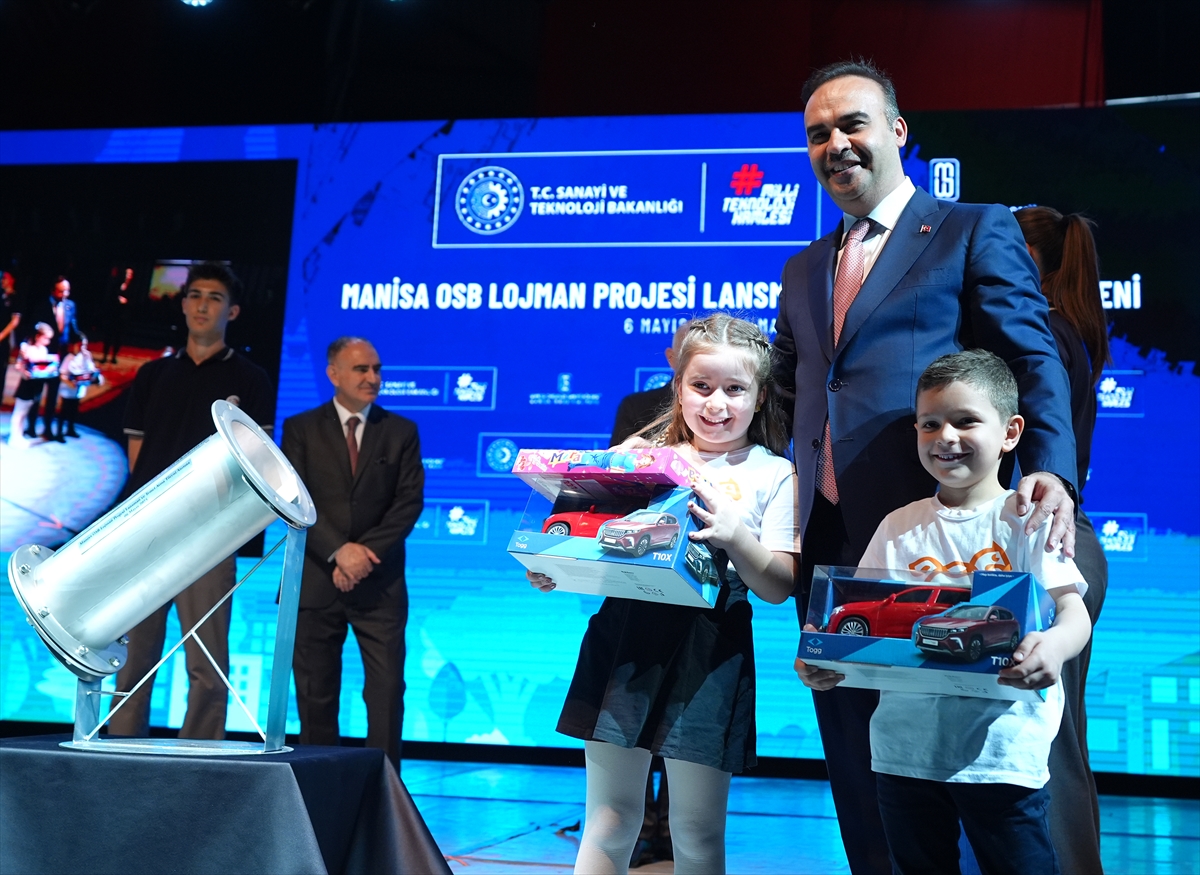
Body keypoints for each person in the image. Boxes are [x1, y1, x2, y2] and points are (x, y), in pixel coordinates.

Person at [777, 60, 1079, 874]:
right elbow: (790, 394)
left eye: (853, 124)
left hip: (945, 546)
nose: (836, 144)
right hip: (832, 545)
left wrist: (1051, 468)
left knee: (986, 781)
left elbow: (1032, 356)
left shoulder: (970, 228)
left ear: (898, 131)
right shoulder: (802, 267)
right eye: (817, 134)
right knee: (862, 765)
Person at [799, 350, 1091, 875]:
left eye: (965, 421)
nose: (945, 437)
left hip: (1003, 754)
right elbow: (852, 620)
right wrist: (822, 658)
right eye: (930, 423)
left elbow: (1073, 611)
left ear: (1010, 432)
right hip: (903, 752)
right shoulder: (898, 525)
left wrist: (1053, 646)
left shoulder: (1027, 519)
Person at [529, 314, 799, 875]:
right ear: (678, 387)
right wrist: (557, 567)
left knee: (695, 831)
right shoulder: (642, 460)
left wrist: (735, 535)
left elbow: (777, 586)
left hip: (710, 652)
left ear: (760, 396)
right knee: (609, 820)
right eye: (701, 386)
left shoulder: (775, 474)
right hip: (624, 638)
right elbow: (596, 544)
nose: (716, 404)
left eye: (734, 389)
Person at [108, 262, 274, 740]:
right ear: (183, 305)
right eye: (195, 295)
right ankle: (119, 752)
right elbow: (138, 457)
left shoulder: (251, 378)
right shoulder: (154, 374)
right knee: (133, 658)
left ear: (233, 311)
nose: (203, 305)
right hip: (148, 534)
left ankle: (201, 759)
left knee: (208, 663)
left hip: (211, 536)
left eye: (215, 298)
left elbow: (256, 463)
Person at [1016, 205, 1111, 874]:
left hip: (1047, 540)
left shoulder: (1042, 333)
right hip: (1062, 538)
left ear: (1030, 262)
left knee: (1047, 750)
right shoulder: (1064, 330)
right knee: (1055, 746)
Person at [281, 336, 424, 769]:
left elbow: (408, 504)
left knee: (386, 694)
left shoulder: (400, 431)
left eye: (377, 369)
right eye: (362, 369)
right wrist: (338, 551)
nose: (373, 377)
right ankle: (320, 790)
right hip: (316, 580)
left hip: (379, 584)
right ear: (334, 374)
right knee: (315, 695)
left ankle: (384, 792)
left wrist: (361, 554)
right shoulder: (300, 428)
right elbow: (292, 497)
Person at [608, 318, 691, 868]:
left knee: (680, 724)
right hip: (636, 580)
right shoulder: (638, 408)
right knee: (630, 721)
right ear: (669, 357)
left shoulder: (733, 424)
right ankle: (641, 825)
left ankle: (670, 823)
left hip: (698, 586)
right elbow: (613, 489)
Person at [610, 320, 691, 448]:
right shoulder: (634, 407)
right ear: (671, 357)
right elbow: (618, 458)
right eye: (687, 355)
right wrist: (651, 454)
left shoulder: (720, 407)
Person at [7, 323, 59, 447]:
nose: (48, 341)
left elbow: (44, 366)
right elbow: (18, 365)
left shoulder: (44, 350)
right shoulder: (27, 349)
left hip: (37, 385)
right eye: (46, 338)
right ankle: (13, 437)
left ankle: (19, 436)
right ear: (38, 336)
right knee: (19, 412)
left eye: (49, 339)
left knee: (25, 411)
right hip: (26, 384)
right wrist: (24, 371)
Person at [56, 333, 103, 440]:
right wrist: (70, 383)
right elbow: (62, 374)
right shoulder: (69, 357)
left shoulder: (86, 356)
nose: (83, 348)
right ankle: (59, 432)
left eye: (85, 345)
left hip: (79, 388)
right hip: (68, 389)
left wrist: (95, 377)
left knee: (74, 410)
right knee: (64, 411)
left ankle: (71, 429)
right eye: (81, 345)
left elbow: (91, 369)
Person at [100, 266, 134, 364]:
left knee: (119, 337)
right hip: (113, 314)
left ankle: (114, 356)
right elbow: (109, 297)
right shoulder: (116, 284)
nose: (128, 276)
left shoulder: (133, 287)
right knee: (108, 336)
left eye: (130, 274)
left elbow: (134, 301)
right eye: (127, 273)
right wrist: (117, 299)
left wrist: (126, 301)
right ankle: (105, 355)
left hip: (123, 316)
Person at [0, 271, 20, 365]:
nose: (2, 281)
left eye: (5, 278)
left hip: (4, 341)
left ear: (12, 280)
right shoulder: (2, 296)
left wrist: (1, 336)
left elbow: (15, 321)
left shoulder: (15, 298)